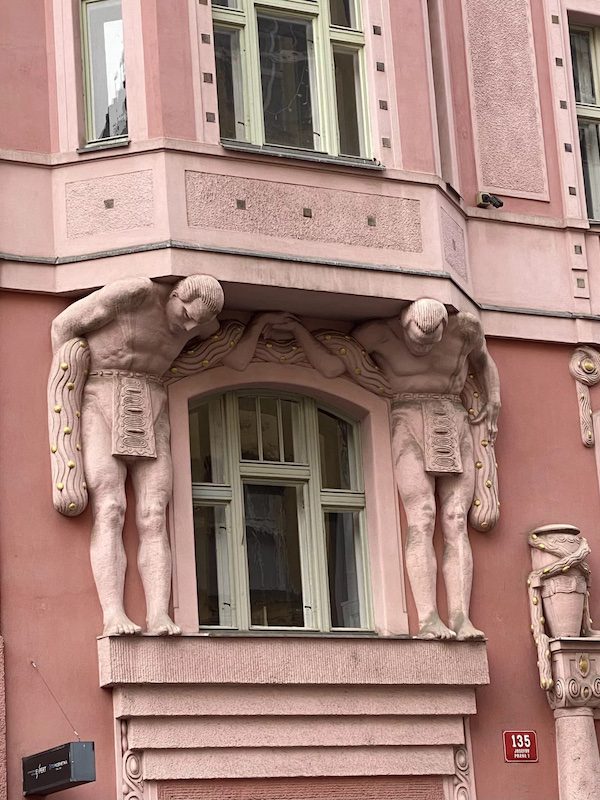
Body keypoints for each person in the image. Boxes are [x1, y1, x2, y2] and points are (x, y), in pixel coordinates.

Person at [50, 275, 224, 636]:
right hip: (101, 393)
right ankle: (113, 614)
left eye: (197, 322)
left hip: (152, 401)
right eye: (186, 314)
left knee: (154, 513)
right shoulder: (135, 294)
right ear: (176, 293)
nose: (189, 326)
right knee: (110, 507)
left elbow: (219, 340)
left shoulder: (200, 324)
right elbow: (62, 326)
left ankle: (159, 614)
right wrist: (69, 379)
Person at [352, 299, 500, 640]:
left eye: (432, 339)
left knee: (455, 520)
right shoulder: (376, 334)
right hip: (406, 415)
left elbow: (484, 360)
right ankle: (428, 618)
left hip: (453, 415)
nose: (424, 346)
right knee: (422, 516)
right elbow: (338, 360)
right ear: (405, 325)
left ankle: (462, 618)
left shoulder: (465, 329)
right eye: (418, 339)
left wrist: (494, 399)